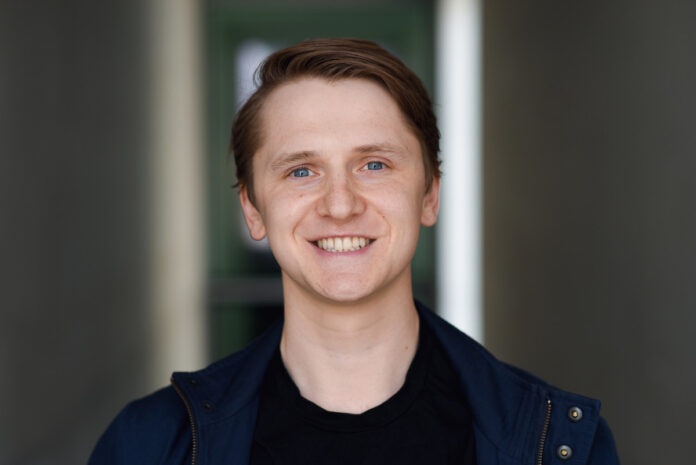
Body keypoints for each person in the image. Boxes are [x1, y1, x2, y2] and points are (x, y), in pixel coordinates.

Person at [89, 38, 620, 465]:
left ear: (429, 195)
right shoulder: (147, 445)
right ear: (253, 210)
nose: (340, 205)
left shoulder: (562, 445)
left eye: (374, 165)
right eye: (302, 170)